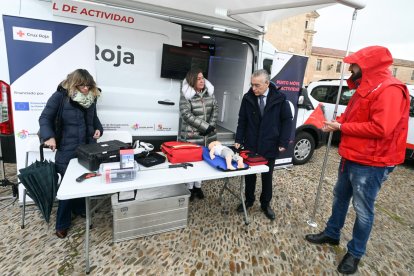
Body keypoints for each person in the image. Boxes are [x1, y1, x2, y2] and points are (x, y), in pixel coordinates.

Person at [305, 46, 410, 274]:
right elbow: (354, 115)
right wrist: (337, 121)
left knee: (363, 209)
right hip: (353, 155)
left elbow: (381, 128)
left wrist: (342, 126)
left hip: (372, 162)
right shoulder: (367, 86)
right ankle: (332, 234)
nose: (350, 68)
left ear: (367, 66)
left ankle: (355, 253)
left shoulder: (390, 89)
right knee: (339, 197)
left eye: (354, 65)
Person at [39, 69, 103, 239]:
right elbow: (44, 118)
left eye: (88, 86)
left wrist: (98, 129)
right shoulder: (60, 96)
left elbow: (94, 119)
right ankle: (62, 224)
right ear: (74, 83)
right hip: (68, 149)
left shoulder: (92, 98)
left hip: (88, 148)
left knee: (86, 179)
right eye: (82, 85)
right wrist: (49, 137)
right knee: (68, 188)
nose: (85, 89)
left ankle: (81, 208)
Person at [234, 69, 293, 220]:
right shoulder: (248, 98)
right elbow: (242, 120)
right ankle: (248, 200)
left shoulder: (280, 98)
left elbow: (287, 120)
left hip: (270, 144)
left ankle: (265, 204)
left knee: (267, 176)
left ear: (267, 83)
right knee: (249, 175)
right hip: (251, 144)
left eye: (257, 85)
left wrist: (283, 141)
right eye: (252, 85)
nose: (253, 88)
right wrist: (239, 140)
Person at [179, 68, 218, 201]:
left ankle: (198, 186)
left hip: (208, 135)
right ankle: (189, 187)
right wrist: (205, 127)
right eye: (199, 78)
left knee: (203, 161)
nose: (202, 81)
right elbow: (186, 114)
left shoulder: (209, 92)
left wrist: (210, 126)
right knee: (192, 162)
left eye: (203, 78)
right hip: (192, 135)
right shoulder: (186, 94)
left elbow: (215, 109)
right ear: (192, 80)